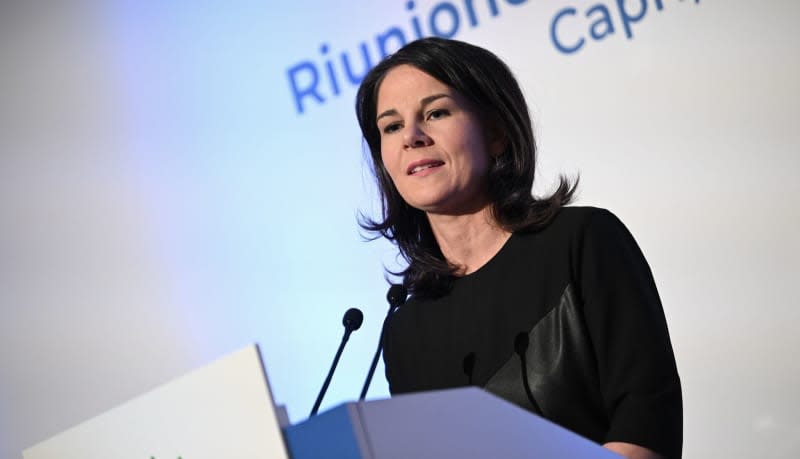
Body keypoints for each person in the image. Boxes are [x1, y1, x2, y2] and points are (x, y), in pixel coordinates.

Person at [355, 37, 682, 459]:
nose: (412, 137)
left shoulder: (584, 242)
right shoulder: (405, 333)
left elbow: (646, 424)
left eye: (436, 112)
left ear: (496, 133)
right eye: (391, 126)